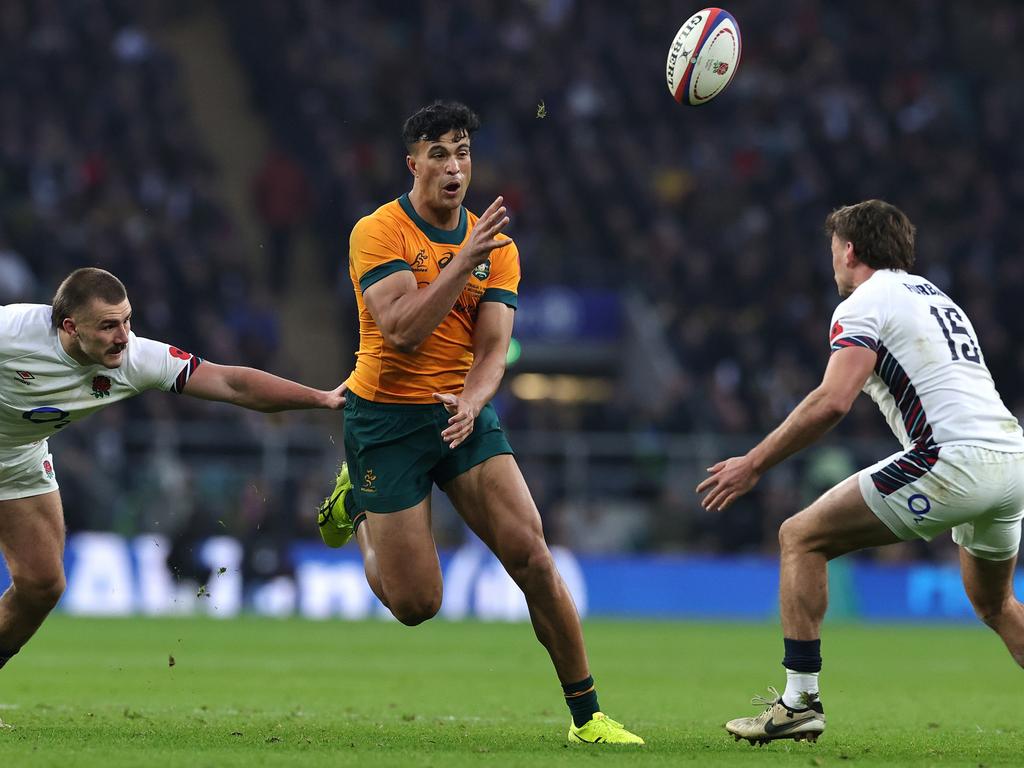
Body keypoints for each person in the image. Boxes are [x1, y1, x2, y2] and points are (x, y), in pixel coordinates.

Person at [316, 100, 643, 745]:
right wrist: (462, 261)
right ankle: (356, 504)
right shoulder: (377, 232)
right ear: (412, 164)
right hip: (384, 423)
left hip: (458, 415)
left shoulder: (499, 249)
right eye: (438, 153)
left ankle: (589, 717)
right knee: (417, 605)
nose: (453, 165)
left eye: (462, 151)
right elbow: (402, 330)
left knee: (532, 554)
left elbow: (494, 349)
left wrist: (473, 399)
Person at [697, 199, 1024, 746]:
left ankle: (799, 702)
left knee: (799, 537)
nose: (832, 264)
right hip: (1012, 460)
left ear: (849, 251)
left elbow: (832, 401)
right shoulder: (938, 297)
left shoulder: (865, 301)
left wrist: (753, 463)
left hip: (951, 458)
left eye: (833, 251)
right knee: (996, 604)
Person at [0, 267, 347, 673]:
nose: (124, 336)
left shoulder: (136, 360)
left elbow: (232, 384)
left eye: (127, 320)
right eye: (109, 326)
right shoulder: (13, 332)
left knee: (43, 585)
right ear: (70, 326)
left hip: (18, 457)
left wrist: (320, 398)